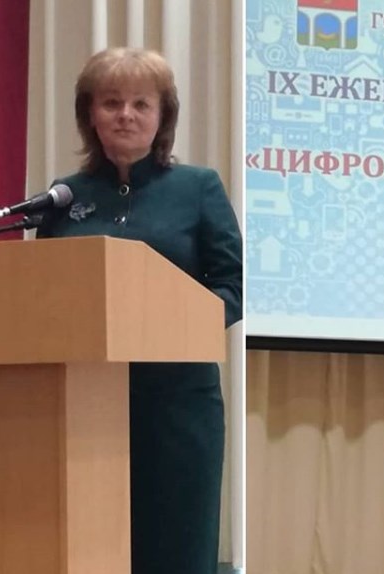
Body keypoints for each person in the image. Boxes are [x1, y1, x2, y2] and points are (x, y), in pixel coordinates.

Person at [36, 47, 243, 574]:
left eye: (140, 104)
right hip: (82, 406)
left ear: (162, 116)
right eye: (111, 103)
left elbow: (231, 286)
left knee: (177, 550)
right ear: (90, 115)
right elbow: (44, 297)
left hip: (177, 407)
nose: (125, 115)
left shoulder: (198, 188)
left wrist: (171, 324)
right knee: (89, 548)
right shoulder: (64, 197)